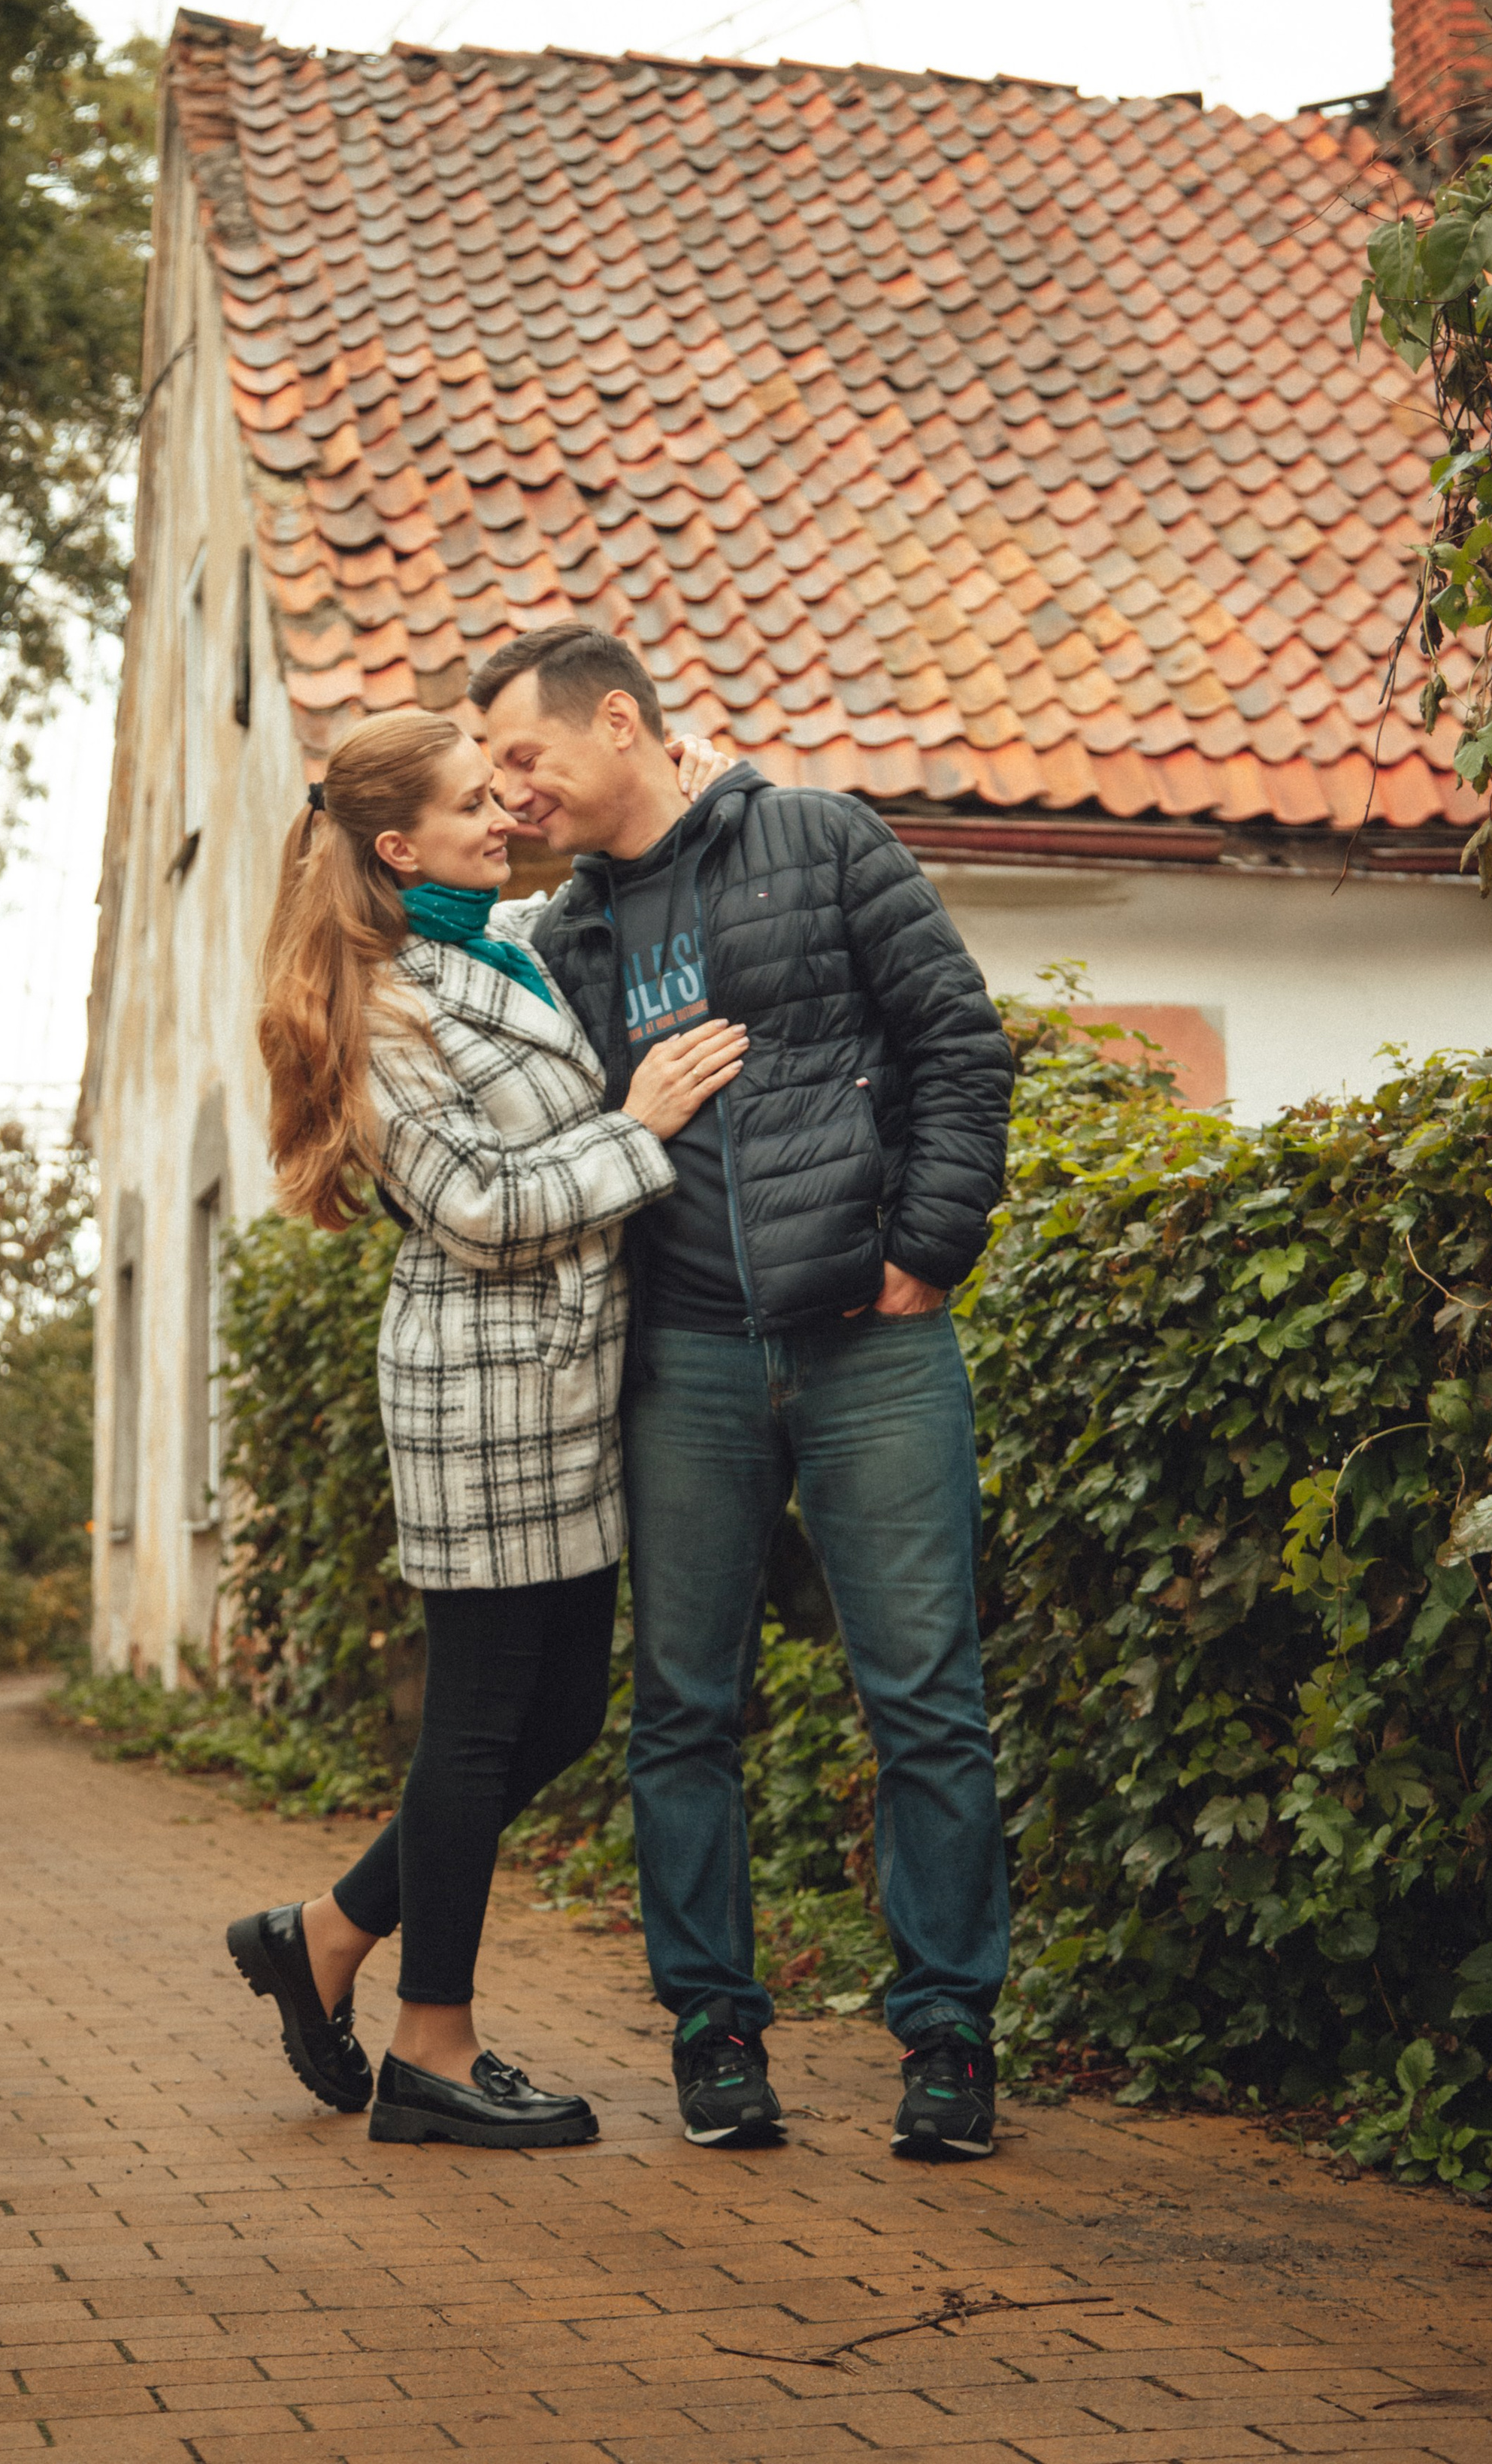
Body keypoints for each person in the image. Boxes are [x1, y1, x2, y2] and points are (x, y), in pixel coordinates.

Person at [474, 624, 1015, 2161]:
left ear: (624, 725)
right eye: (493, 767)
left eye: (525, 754)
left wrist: (927, 1248)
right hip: (685, 1360)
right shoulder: (559, 937)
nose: (508, 788)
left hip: (868, 1339)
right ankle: (713, 2027)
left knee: (924, 1698)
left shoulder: (819, 838)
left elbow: (957, 1046)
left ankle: (948, 2042)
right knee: (682, 1710)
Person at [225, 708, 746, 2149]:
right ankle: (432, 2046)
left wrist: (678, 793)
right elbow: (481, 1207)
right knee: (475, 1719)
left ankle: (327, 1933)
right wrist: (641, 1125)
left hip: (561, 1383)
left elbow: (569, 883)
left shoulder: (477, 946)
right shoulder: (381, 999)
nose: (506, 807)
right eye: (474, 799)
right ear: (400, 848)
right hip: (483, 1391)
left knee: (564, 1710)